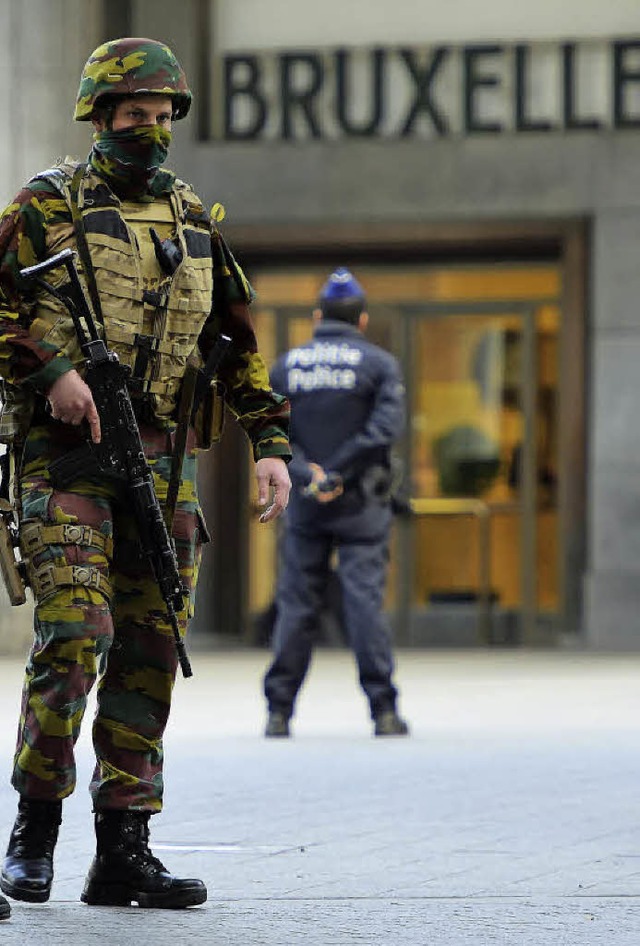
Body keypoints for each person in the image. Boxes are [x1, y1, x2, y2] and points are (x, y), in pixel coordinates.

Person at [0, 37, 291, 910]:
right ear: (100, 116)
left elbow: (233, 346)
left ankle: (124, 850)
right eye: (136, 117)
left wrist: (271, 445)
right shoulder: (44, 208)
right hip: (68, 466)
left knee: (150, 654)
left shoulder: (197, 223)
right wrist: (52, 372)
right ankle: (34, 831)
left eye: (164, 118)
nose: (151, 133)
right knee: (77, 635)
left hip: (164, 473)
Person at [263, 267, 409, 738]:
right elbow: (383, 432)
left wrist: (310, 474)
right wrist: (342, 472)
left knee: (297, 603)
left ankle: (278, 713)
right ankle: (383, 712)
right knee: (363, 602)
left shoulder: (288, 365)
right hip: (361, 502)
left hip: (305, 503)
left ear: (317, 316)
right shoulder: (379, 365)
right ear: (361, 320)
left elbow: (273, 431)